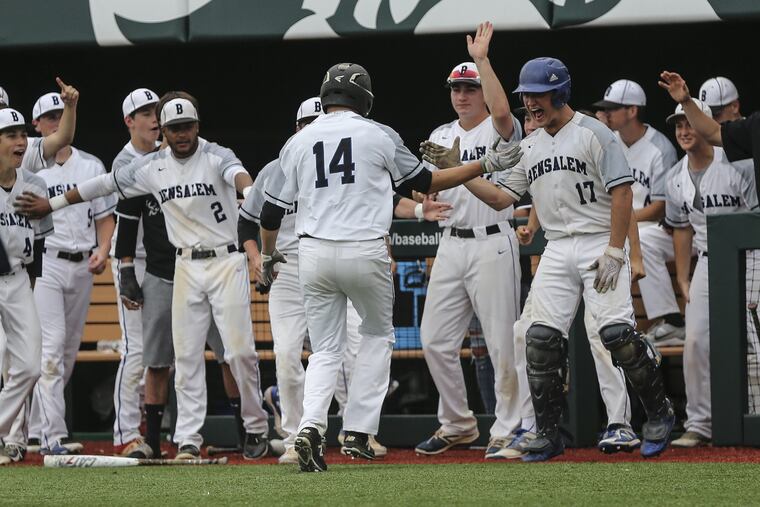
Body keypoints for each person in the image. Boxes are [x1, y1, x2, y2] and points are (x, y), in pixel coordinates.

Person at [257, 58, 522, 472]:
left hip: (312, 254)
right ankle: (359, 430)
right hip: (365, 249)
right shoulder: (377, 133)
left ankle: (310, 426)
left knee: (325, 350)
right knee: (377, 337)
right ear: (364, 96)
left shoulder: (298, 141)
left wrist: (270, 255)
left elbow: (270, 216)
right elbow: (426, 184)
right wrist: (485, 164)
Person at [428, 57, 674, 461]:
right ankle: (547, 431)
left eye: (537, 95)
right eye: (526, 95)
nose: (530, 103)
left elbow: (623, 192)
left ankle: (659, 412)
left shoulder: (595, 133)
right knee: (538, 337)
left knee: (615, 335)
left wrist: (616, 249)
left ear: (559, 93)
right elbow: (500, 198)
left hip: (598, 241)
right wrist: (461, 172)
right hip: (558, 245)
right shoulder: (530, 144)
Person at [15, 92, 271, 460]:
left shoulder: (215, 154)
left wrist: (248, 191)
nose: (182, 134)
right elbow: (101, 186)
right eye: (174, 128)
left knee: (240, 353)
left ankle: (255, 427)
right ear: (163, 132)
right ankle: (188, 438)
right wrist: (51, 204)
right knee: (184, 358)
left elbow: (238, 173)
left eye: (188, 126)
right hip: (185, 265)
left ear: (198, 126)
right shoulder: (152, 166)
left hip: (225, 260)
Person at [414, 21, 524, 460]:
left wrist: (483, 61)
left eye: (470, 88)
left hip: (493, 240)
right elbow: (427, 188)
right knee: (433, 340)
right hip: (451, 243)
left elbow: (501, 113)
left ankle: (508, 426)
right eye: (457, 89)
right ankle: (457, 424)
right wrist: (427, 200)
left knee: (501, 342)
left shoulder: (499, 129)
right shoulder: (441, 134)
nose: (462, 96)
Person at [7, 91, 116, 457]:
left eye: (60, 114)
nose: (55, 121)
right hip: (46, 262)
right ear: (38, 126)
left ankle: (34, 430)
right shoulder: (32, 163)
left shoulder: (87, 165)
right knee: (49, 352)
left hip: (75, 264)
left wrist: (103, 249)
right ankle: (52, 433)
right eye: (48, 117)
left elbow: (104, 216)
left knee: (59, 357)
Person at [661, 99, 758, 447]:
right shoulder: (674, 177)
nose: (684, 131)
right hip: (709, 259)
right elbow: (682, 228)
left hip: (751, 259)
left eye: (689, 123)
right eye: (678, 126)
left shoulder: (738, 165)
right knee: (696, 340)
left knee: (754, 342)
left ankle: (753, 415)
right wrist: (684, 278)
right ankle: (701, 422)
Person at [593, 80, 681, 346]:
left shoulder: (660, 148)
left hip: (657, 228)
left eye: (613, 108)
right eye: (605, 108)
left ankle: (672, 321)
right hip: (621, 228)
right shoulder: (609, 142)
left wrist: (624, 220)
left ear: (632, 111)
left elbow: (661, 206)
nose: (606, 113)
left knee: (641, 239)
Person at [0, 108, 55, 466]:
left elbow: (39, 245)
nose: (21, 141)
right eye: (11, 135)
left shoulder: (34, 184)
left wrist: (29, 286)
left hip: (17, 277)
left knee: (31, 367)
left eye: (23, 134)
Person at [110, 88, 160, 457]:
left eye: (155, 110)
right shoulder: (124, 163)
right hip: (132, 261)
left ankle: (162, 431)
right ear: (129, 121)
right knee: (136, 350)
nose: (153, 118)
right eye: (144, 112)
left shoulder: (165, 154)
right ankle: (125, 430)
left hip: (161, 263)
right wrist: (126, 269)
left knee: (163, 351)